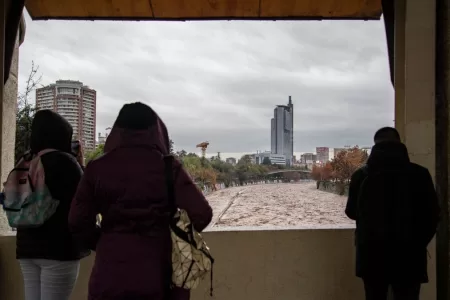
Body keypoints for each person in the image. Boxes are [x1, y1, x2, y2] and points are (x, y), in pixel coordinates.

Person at [69, 102, 213, 300]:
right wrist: (169, 234)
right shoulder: (168, 168)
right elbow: (202, 214)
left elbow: (77, 221)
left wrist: (106, 240)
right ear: (157, 131)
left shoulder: (97, 168)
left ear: (117, 132)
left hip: (108, 274)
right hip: (156, 275)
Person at [345, 127, 440, 300]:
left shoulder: (361, 174)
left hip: (371, 256)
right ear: (399, 142)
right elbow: (433, 216)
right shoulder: (420, 174)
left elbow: (351, 212)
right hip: (409, 256)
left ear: (375, 145)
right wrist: (417, 243)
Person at [16, 110, 90, 300]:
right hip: (58, 249)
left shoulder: (25, 161)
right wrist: (80, 164)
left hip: (26, 248)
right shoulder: (66, 163)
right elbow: (86, 197)